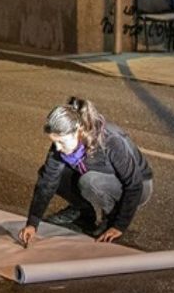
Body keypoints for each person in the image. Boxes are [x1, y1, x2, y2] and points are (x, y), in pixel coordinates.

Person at [18, 97, 153, 246]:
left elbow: (134, 184)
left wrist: (119, 225)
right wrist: (33, 222)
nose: (57, 147)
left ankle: (111, 218)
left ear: (79, 131)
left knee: (90, 181)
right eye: (54, 142)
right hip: (102, 178)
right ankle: (83, 212)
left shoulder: (110, 141)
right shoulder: (63, 141)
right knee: (52, 174)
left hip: (140, 186)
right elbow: (47, 182)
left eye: (61, 142)